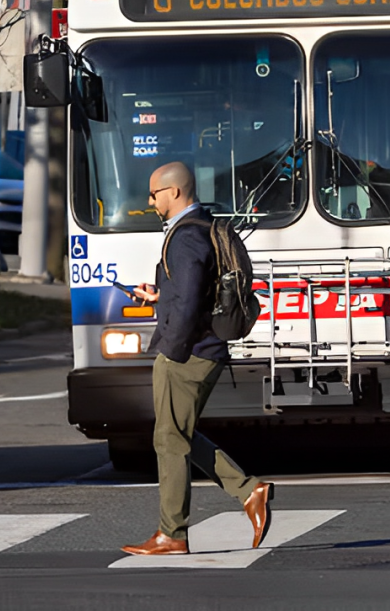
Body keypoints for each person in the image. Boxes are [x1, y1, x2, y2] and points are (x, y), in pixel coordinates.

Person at [121, 161, 273, 557]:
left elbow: (189, 302)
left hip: (188, 352)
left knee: (169, 440)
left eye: (154, 194)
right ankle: (248, 490)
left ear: (173, 192)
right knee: (179, 434)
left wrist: (170, 350)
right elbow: (192, 292)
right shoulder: (203, 226)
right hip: (203, 347)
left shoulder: (185, 237)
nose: (150, 201)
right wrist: (158, 296)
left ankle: (172, 534)